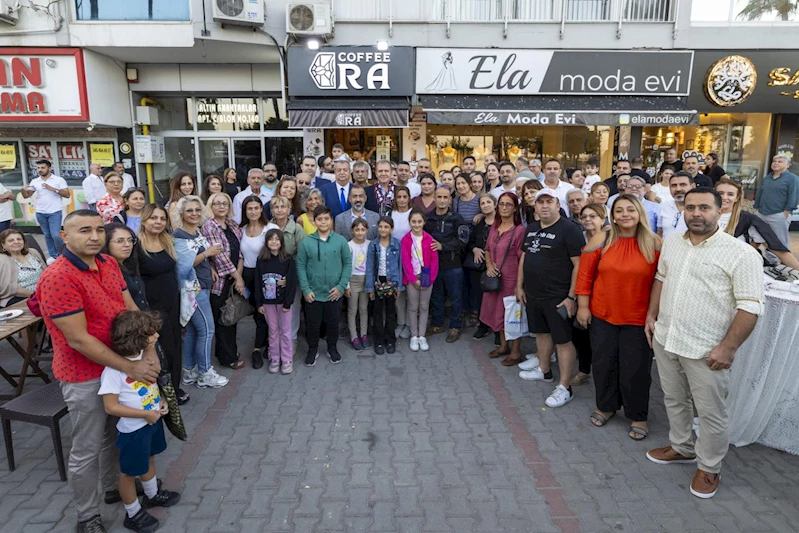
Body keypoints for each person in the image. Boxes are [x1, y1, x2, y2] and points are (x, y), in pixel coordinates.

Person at [37, 209, 159, 533]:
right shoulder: (58, 277)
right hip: (84, 374)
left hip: (121, 364)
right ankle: (87, 516)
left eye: (97, 229)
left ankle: (111, 490)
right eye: (83, 230)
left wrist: (148, 350)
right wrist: (132, 367)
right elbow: (78, 339)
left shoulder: (107, 263)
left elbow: (131, 309)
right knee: (87, 449)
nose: (94, 236)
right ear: (63, 235)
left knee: (114, 435)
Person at [644, 188, 764, 499]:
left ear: (720, 209)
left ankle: (709, 467)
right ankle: (682, 447)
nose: (696, 213)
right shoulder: (673, 243)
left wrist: (728, 348)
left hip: (706, 348)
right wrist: (651, 315)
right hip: (668, 337)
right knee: (674, 398)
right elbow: (660, 277)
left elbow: (750, 306)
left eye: (704, 208)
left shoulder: (741, 253)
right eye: (691, 207)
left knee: (711, 412)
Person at [576, 195, 661, 440]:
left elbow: (661, 281)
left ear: (639, 213)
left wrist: (655, 315)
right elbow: (585, 276)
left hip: (638, 319)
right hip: (603, 315)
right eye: (619, 210)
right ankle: (606, 406)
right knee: (603, 364)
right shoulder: (602, 239)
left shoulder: (654, 243)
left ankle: (638, 416)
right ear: (612, 215)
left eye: (630, 210)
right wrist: (583, 306)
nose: (625, 214)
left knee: (636, 369)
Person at [100, 310, 180, 532]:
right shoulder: (114, 371)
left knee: (150, 459)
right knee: (129, 473)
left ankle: (152, 494)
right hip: (134, 430)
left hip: (151, 422)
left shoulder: (143, 358)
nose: (155, 336)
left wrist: (161, 400)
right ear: (137, 339)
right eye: (150, 334)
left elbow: (152, 385)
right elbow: (111, 406)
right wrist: (144, 414)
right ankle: (133, 513)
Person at [516, 189, 584, 408]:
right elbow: (524, 258)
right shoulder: (532, 228)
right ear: (535, 207)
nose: (545, 206)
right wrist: (519, 286)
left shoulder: (569, 229)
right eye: (540, 202)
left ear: (557, 205)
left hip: (558, 297)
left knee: (563, 341)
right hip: (534, 294)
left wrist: (572, 297)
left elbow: (578, 265)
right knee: (541, 333)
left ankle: (565, 387)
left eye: (549, 202)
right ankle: (544, 370)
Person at [173, 195, 229, 389]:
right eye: (189, 210)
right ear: (181, 213)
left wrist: (209, 266)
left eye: (197, 210)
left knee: (192, 332)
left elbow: (199, 259)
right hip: (192, 290)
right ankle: (205, 372)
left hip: (201, 286)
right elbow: (183, 266)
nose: (194, 214)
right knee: (207, 330)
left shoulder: (196, 232)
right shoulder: (179, 236)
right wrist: (206, 254)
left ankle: (189, 371)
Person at [137, 204, 188, 405]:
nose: (158, 222)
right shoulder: (136, 246)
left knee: (176, 345)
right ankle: (161, 392)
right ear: (144, 220)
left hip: (173, 302)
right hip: (152, 307)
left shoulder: (168, 241)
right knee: (163, 349)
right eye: (153, 218)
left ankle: (174, 389)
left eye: (162, 218)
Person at [297, 205, 352, 367]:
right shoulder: (307, 243)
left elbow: (347, 264)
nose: (323, 222)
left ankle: (332, 348)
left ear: (331, 221)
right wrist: (306, 289)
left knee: (333, 323)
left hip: (334, 292)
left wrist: (341, 286)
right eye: (319, 219)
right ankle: (312, 350)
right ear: (314, 222)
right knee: (313, 324)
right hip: (313, 293)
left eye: (326, 219)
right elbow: (300, 266)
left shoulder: (340, 241)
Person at [201, 192, 245, 370]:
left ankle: (228, 351)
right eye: (217, 203)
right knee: (223, 318)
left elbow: (240, 251)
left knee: (231, 315)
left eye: (224, 203)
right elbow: (219, 257)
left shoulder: (233, 224)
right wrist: (238, 277)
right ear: (211, 206)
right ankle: (227, 358)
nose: (221, 206)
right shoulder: (209, 226)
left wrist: (239, 275)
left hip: (234, 276)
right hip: (220, 279)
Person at [481, 192, 526, 366]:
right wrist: (489, 265)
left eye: (509, 204)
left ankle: (515, 353)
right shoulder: (495, 226)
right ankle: (503, 346)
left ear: (515, 208)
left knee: (512, 315)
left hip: (511, 279)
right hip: (495, 278)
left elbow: (523, 257)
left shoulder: (519, 230)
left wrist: (519, 285)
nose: (505, 207)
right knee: (498, 312)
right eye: (502, 204)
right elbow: (487, 249)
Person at [716, 178, 799, 270]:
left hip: (738, 269)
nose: (724, 197)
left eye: (730, 194)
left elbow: (777, 248)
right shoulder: (701, 217)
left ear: (737, 197)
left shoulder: (747, 219)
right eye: (720, 193)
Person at [239, 196, 278, 369]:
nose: (253, 211)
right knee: (256, 312)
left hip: (266, 276)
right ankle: (266, 341)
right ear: (245, 211)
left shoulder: (270, 228)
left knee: (264, 312)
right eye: (249, 209)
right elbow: (240, 256)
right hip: (248, 275)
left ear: (262, 209)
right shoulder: (242, 230)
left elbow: (278, 253)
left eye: (256, 208)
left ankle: (258, 348)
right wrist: (239, 278)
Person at [425, 187, 467, 343]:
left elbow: (463, 240)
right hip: (434, 265)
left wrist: (443, 246)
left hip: (453, 264)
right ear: (434, 198)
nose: (442, 200)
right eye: (439, 197)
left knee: (456, 297)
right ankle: (437, 323)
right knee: (436, 297)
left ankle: (455, 326)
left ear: (450, 199)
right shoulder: (428, 218)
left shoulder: (457, 219)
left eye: (445, 197)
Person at [255, 229, 298, 374]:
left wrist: (288, 302)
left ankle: (286, 359)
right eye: (271, 239)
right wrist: (259, 303)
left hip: (283, 302)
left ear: (281, 242)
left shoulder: (288, 260)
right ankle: (274, 358)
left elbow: (292, 282)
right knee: (273, 331)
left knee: (285, 331)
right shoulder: (262, 260)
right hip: (267, 302)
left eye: (277, 239)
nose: (274, 242)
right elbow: (257, 282)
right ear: (266, 242)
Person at [269, 195, 306, 345]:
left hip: (291, 273)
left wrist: (292, 276)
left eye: (283, 207)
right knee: (273, 308)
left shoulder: (296, 229)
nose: (279, 210)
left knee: (292, 307)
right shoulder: (268, 227)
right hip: (271, 275)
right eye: (276, 207)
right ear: (271, 210)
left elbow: (302, 254)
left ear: (289, 209)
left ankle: (291, 339)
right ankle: (275, 339)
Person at [401, 209, 439, 352]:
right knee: (412, 306)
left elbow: (435, 261)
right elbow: (405, 261)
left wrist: (429, 280)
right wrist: (412, 279)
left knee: (424, 307)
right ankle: (413, 335)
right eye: (413, 222)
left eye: (419, 221)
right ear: (410, 223)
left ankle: (422, 336)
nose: (416, 225)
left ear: (423, 222)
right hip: (412, 278)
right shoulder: (405, 240)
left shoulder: (429, 239)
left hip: (427, 277)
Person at [365, 217, 403, 354]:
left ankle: (390, 340)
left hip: (392, 282)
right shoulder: (373, 245)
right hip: (378, 282)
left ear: (391, 229)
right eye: (380, 227)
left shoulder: (397, 244)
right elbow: (369, 267)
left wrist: (399, 286)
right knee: (377, 313)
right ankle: (379, 341)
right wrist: (370, 288)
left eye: (386, 227)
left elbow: (399, 266)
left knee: (391, 312)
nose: (383, 230)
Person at [22, 159, 69, 261]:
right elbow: (26, 196)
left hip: (55, 211)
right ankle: (53, 256)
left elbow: (67, 194)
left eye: (42, 168)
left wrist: (54, 189)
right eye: (38, 168)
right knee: (47, 235)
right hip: (40, 212)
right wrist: (23, 190)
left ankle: (64, 254)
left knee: (56, 235)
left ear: (49, 168)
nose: (40, 170)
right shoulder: (35, 181)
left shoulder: (58, 180)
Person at [754, 154, 799, 250]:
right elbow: (760, 194)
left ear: (788, 165)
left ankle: (782, 262)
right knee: (755, 237)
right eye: (774, 161)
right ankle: (766, 260)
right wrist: (757, 207)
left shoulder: (793, 179)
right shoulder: (767, 178)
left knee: (779, 241)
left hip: (778, 214)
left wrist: (785, 213)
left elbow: (793, 196)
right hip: (761, 213)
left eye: (780, 162)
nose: (776, 163)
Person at [468, 194, 497, 339]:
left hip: (496, 264)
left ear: (495, 204)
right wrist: (474, 248)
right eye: (482, 203)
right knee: (480, 297)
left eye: (488, 202)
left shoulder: (501, 222)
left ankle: (498, 329)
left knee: (496, 298)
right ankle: (483, 325)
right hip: (478, 266)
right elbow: (471, 241)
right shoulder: (479, 223)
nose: (486, 205)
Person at [103, 224, 148, 310]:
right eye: (120, 241)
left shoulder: (130, 266)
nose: (127, 245)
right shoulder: (107, 271)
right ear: (106, 243)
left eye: (130, 240)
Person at [0, 228, 45, 307]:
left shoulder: (33, 252)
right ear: (3, 245)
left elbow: (47, 273)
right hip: (18, 297)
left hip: (43, 293)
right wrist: (35, 295)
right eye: (11, 240)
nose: (16, 242)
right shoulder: (3, 259)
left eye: (19, 239)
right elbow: (8, 288)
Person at [346, 219, 372, 351]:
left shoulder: (370, 244)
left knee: (363, 309)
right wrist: (347, 286)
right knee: (352, 309)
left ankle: (364, 334)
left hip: (366, 280)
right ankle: (353, 336)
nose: (360, 232)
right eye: (357, 230)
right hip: (353, 280)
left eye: (363, 229)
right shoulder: (349, 245)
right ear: (352, 231)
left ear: (367, 230)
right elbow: (346, 266)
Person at [391, 186, 413, 339]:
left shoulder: (413, 214)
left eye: (405, 197)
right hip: (394, 257)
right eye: (399, 197)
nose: (402, 200)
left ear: (409, 198)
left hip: (412, 257)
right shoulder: (390, 214)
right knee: (398, 292)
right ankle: (400, 322)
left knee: (411, 293)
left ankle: (410, 324)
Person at [658, 171, 695, 240]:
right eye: (674, 185)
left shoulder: (700, 209)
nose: (678, 189)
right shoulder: (664, 207)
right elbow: (660, 233)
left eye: (683, 185)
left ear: (693, 186)